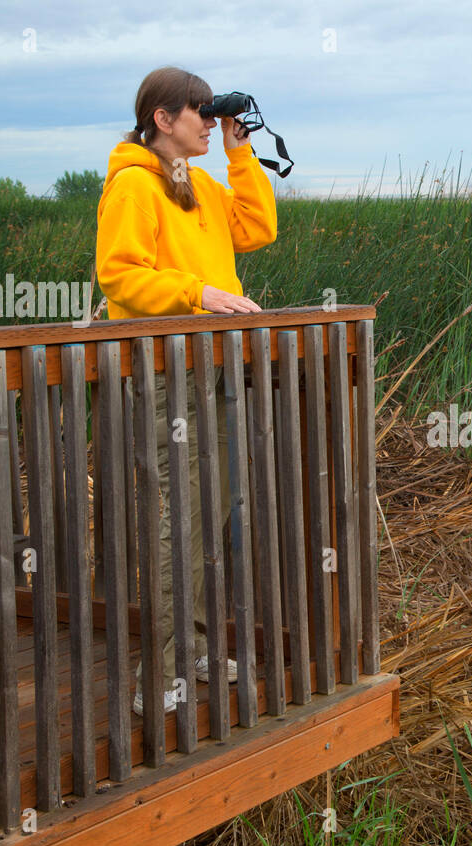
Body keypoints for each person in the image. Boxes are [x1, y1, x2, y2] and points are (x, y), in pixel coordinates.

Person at [95, 66, 278, 715]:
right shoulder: (134, 185)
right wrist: (195, 293)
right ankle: (163, 671)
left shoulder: (198, 182)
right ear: (161, 119)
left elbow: (257, 229)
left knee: (211, 503)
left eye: (212, 109)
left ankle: (194, 646)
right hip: (163, 366)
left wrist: (238, 150)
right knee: (175, 512)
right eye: (198, 112)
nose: (207, 119)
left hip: (212, 364)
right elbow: (117, 274)